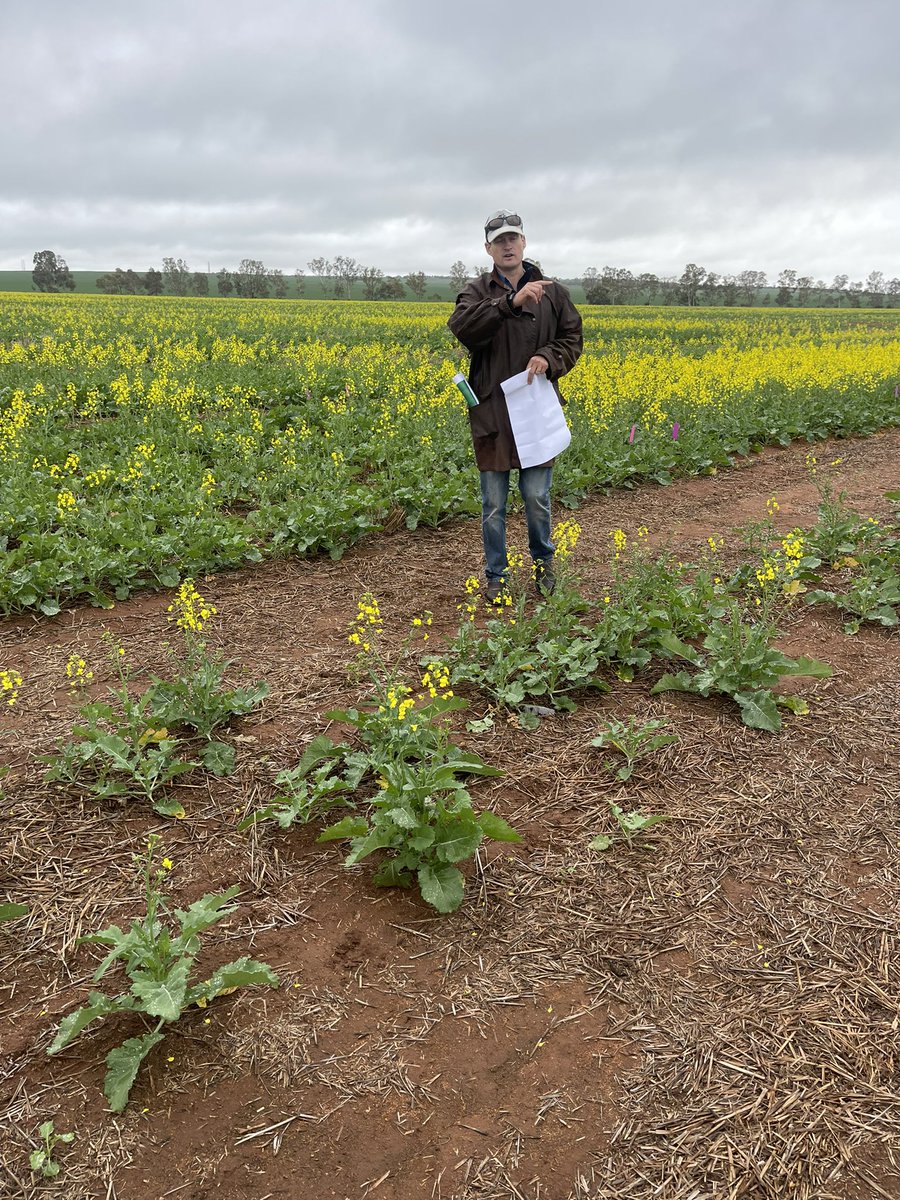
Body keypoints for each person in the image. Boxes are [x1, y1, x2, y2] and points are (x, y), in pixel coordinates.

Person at [448, 210, 583, 601]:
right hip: (492, 411)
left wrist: (548, 356)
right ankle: (497, 576)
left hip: (536, 409)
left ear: (524, 243)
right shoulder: (476, 292)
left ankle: (544, 567)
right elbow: (463, 329)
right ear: (488, 248)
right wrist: (509, 302)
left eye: (513, 239)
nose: (507, 246)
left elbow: (572, 338)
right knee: (493, 503)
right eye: (499, 241)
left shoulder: (554, 293)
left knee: (537, 498)